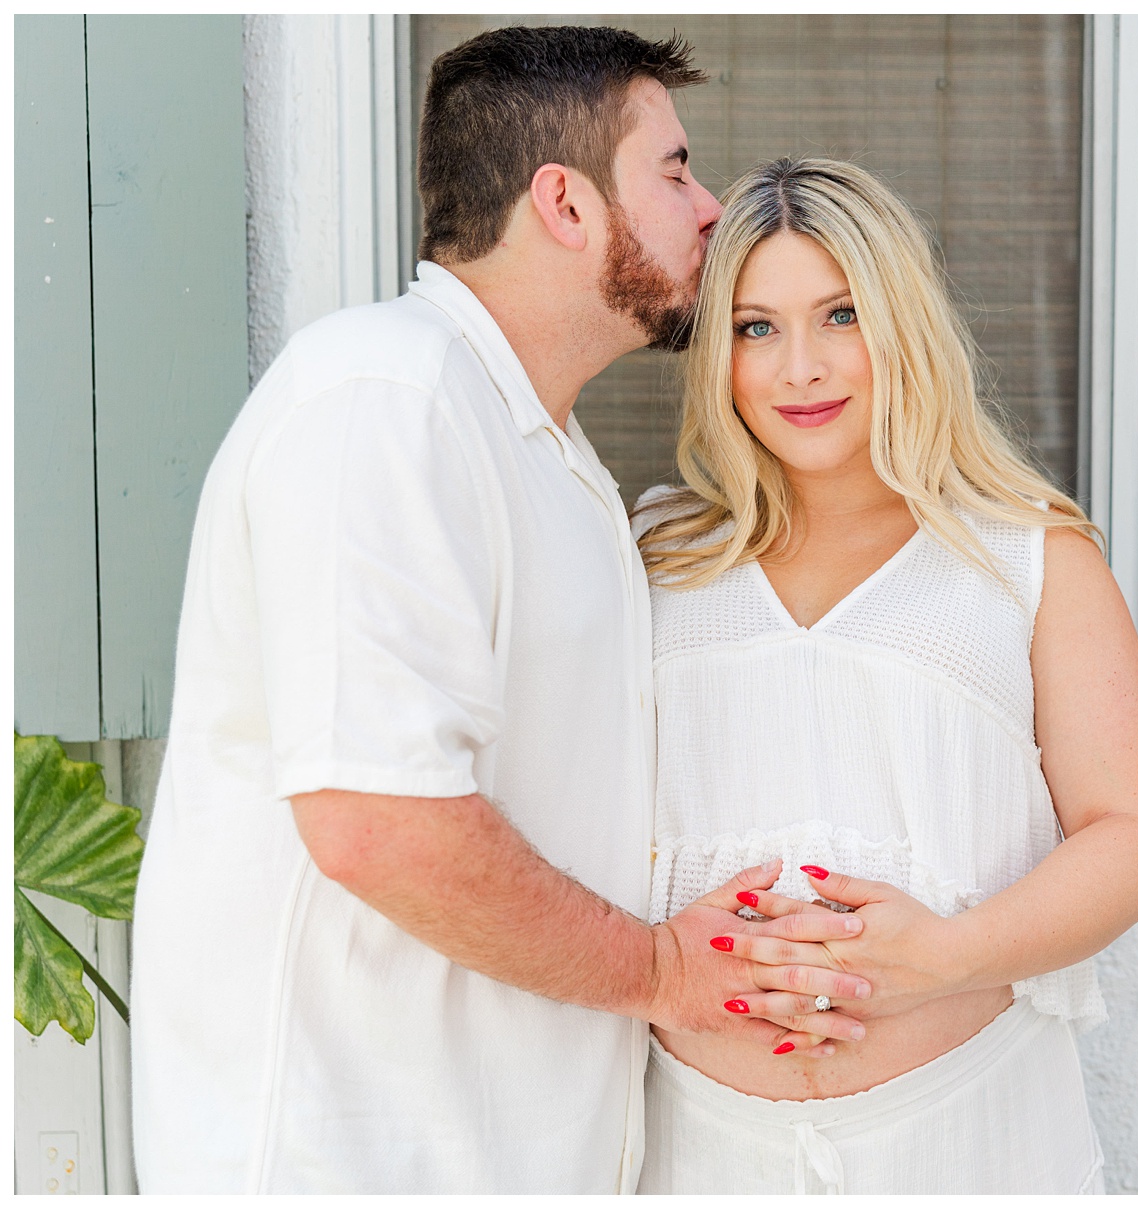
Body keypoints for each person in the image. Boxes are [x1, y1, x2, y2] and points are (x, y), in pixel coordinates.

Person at [129, 28, 867, 1194]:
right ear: (566, 204)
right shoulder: (383, 397)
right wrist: (670, 973)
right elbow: (378, 823)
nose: (711, 206)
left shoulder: (545, 456)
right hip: (359, 1162)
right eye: (672, 171)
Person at [631, 157, 1138, 1194]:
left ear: (902, 320)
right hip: (694, 1146)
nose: (801, 367)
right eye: (756, 327)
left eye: (840, 314)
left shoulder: (1027, 556)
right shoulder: (653, 554)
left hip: (968, 1138)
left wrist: (940, 957)